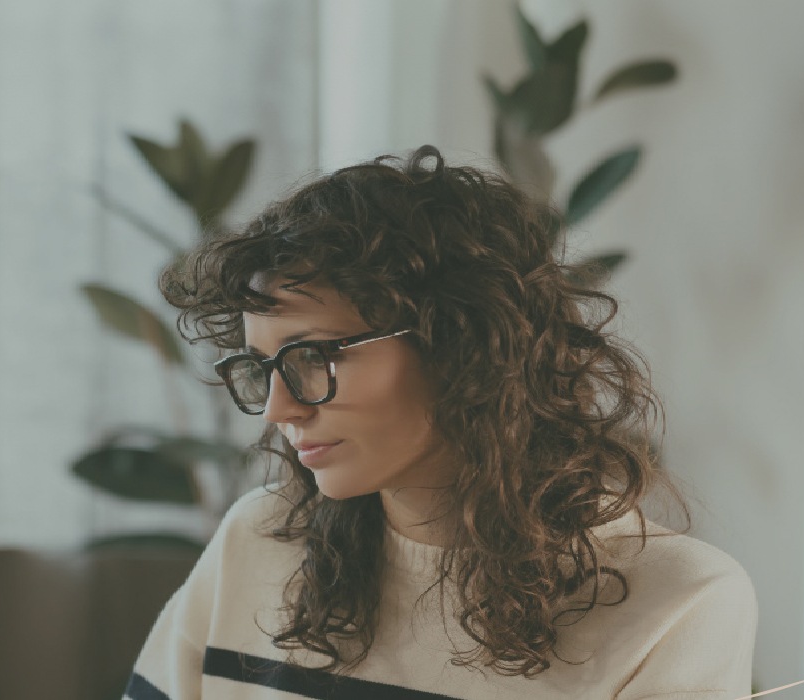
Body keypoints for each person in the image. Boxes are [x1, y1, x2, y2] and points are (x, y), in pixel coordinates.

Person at [125, 146, 757, 699]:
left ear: (463, 345)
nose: (278, 409)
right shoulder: (255, 543)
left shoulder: (678, 603)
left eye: (313, 356)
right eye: (261, 368)